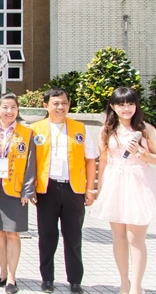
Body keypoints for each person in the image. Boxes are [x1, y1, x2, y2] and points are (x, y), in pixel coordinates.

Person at [30, 88, 97, 294]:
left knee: (73, 236)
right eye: (56, 103)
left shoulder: (80, 129)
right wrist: (30, 188)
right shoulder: (35, 129)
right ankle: (47, 278)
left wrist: (91, 189)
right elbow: (29, 162)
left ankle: (75, 281)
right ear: (46, 106)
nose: (60, 107)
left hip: (73, 189)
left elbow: (91, 160)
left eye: (64, 103)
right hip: (46, 188)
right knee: (47, 236)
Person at [91, 87, 156, 294]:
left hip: (139, 183)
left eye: (130, 104)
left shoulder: (146, 129)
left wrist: (143, 153)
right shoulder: (106, 129)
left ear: (136, 105)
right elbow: (103, 161)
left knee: (135, 237)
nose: (126, 108)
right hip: (115, 183)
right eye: (121, 104)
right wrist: (99, 190)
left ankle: (137, 286)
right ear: (113, 106)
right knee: (118, 236)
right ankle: (124, 282)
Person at [0, 92, 36, 293]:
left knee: (13, 234)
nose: (9, 111)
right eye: (5, 107)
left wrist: (28, 191)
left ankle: (12, 276)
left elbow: (31, 163)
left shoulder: (27, 133)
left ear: (17, 109)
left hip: (16, 190)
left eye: (13, 107)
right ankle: (2, 273)